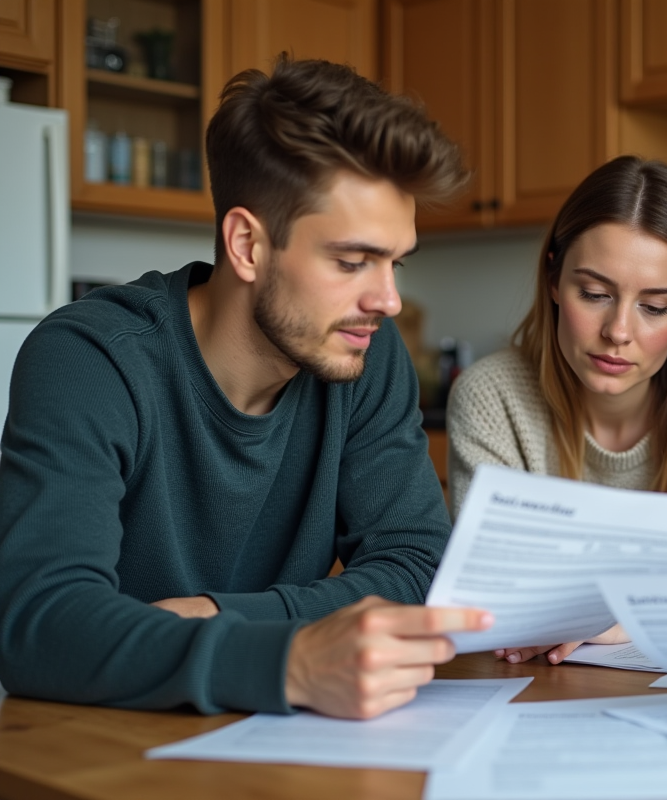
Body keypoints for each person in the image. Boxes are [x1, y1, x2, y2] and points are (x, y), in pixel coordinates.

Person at [0, 57, 492, 719]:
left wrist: (217, 616)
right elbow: (40, 623)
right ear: (248, 245)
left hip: (282, 746)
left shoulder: (366, 358)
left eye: (395, 262)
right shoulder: (91, 360)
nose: (389, 300)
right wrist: (290, 660)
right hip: (102, 750)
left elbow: (417, 566)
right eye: (352, 262)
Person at [446, 156, 667, 666]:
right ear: (553, 279)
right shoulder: (490, 396)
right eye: (595, 294)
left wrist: (618, 609)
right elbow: (500, 592)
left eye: (654, 307)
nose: (619, 332)